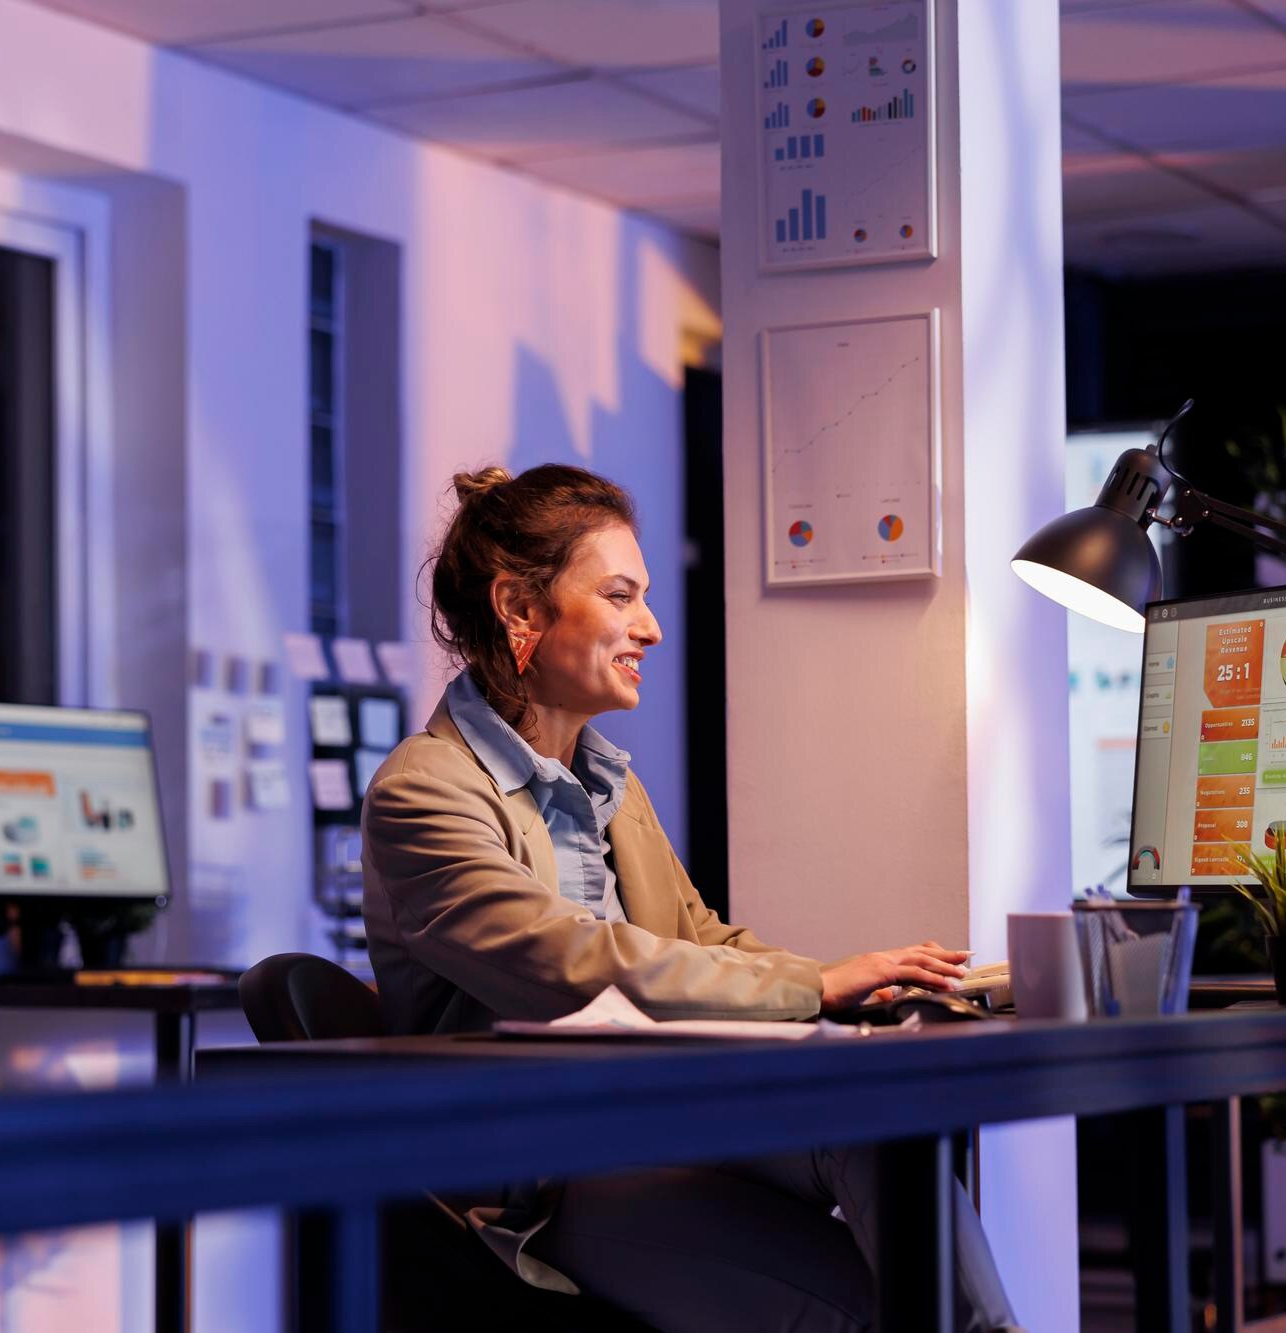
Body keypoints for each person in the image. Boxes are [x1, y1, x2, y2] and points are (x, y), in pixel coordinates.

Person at [361, 463, 1019, 1333]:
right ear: (521, 608)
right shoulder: (424, 790)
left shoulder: (610, 785)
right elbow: (570, 964)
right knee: (872, 1305)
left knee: (882, 1116)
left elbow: (700, 937)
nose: (652, 627)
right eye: (621, 596)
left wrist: (851, 987)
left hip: (661, 1115)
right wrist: (813, 987)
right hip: (545, 1177)